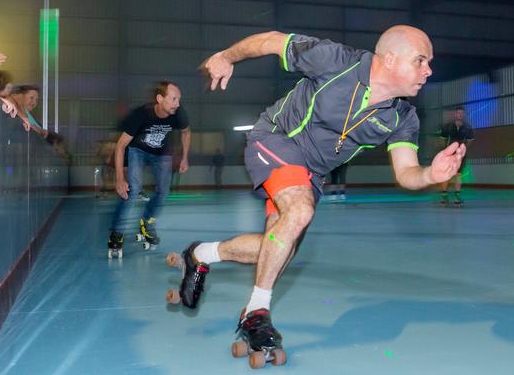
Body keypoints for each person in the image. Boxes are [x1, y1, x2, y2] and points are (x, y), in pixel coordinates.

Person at [173, 26, 466, 360]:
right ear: (390, 59)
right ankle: (255, 313)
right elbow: (271, 40)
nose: (428, 70)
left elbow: (405, 173)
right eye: (420, 60)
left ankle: (200, 254)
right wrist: (226, 57)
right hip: (276, 139)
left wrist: (430, 174)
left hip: (309, 175)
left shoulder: (403, 117)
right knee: (299, 212)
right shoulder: (335, 60)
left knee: (278, 248)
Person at [108, 81, 191, 254]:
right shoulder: (140, 115)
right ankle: (116, 232)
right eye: (174, 99)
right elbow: (121, 146)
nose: (177, 103)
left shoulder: (178, 113)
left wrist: (184, 158)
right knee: (132, 189)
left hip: (161, 154)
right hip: (137, 150)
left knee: (163, 191)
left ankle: (146, 223)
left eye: (179, 99)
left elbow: (186, 132)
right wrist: (119, 179)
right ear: (160, 99)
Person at [439, 107, 474, 206]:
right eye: (458, 113)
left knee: (458, 175)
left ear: (464, 115)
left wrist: (463, 149)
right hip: (449, 155)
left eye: (462, 113)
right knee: (447, 174)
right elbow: (442, 139)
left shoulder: (468, 128)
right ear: (455, 114)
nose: (460, 115)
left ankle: (457, 198)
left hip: (460, 155)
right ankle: (444, 197)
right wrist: (446, 151)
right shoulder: (448, 127)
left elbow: (470, 140)